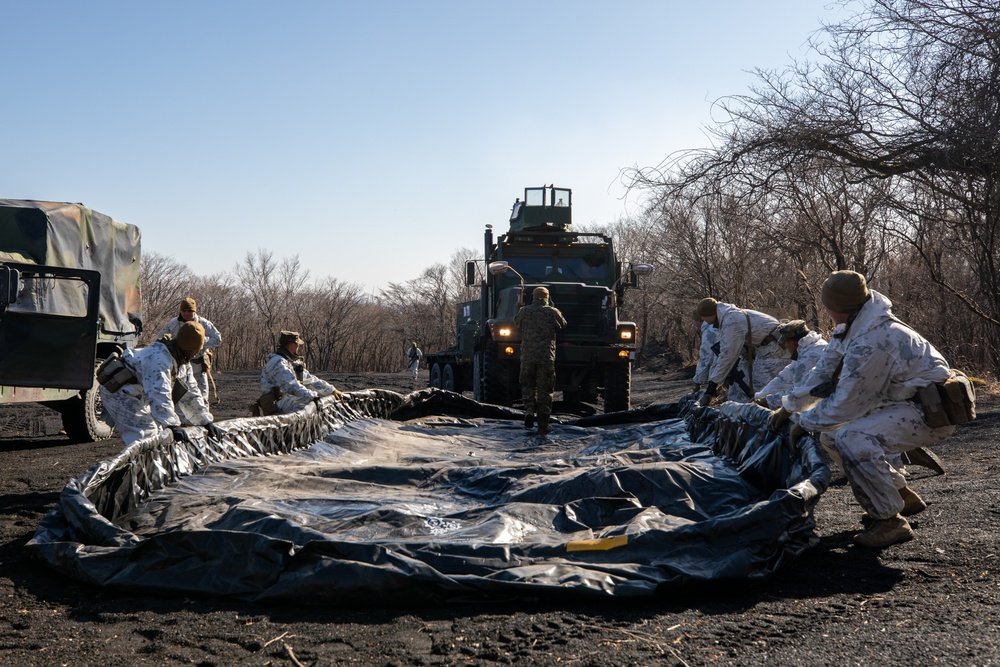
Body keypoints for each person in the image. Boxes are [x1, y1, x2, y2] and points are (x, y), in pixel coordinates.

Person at [784, 270, 956, 548]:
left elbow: (846, 406)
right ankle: (901, 495)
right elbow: (824, 371)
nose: (825, 309)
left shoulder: (872, 340)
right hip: (904, 404)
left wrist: (804, 421)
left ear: (836, 306)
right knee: (831, 437)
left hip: (928, 412)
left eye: (826, 304)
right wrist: (790, 406)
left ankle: (890, 521)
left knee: (851, 437)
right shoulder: (855, 324)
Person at [99, 321, 216, 446]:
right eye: (196, 349)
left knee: (159, 433)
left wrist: (204, 420)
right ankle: (141, 464)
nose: (198, 353)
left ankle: (151, 464)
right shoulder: (159, 359)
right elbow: (159, 392)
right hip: (119, 394)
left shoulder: (182, 361)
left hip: (136, 393)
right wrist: (172, 424)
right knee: (146, 436)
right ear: (188, 347)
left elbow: (191, 392)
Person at [697, 297, 790, 404]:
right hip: (767, 348)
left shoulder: (731, 322)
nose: (705, 323)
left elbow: (727, 356)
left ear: (709, 315)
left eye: (704, 319)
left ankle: (777, 413)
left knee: (761, 389)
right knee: (760, 388)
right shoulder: (729, 315)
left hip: (774, 349)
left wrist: (713, 384)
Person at [514, 286, 567, 435]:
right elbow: (563, 324)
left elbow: (516, 322)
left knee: (528, 386)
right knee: (545, 391)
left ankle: (529, 411)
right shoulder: (552, 312)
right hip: (546, 357)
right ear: (547, 298)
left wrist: (518, 306)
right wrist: (553, 310)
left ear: (533, 297)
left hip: (527, 357)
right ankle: (542, 426)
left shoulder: (524, 311)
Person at [260, 330, 343, 414]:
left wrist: (331, 390)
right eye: (297, 344)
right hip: (278, 405)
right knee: (308, 408)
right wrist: (313, 398)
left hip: (286, 400)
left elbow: (310, 380)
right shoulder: (277, 363)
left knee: (316, 404)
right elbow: (291, 385)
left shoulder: (291, 362)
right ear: (291, 344)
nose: (298, 346)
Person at [156, 297, 221, 403]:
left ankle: (203, 417)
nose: (186, 313)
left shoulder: (203, 323)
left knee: (202, 397)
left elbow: (217, 339)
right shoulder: (173, 324)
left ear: (194, 311)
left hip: (198, 365)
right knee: (179, 398)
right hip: (179, 366)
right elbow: (159, 340)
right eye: (184, 311)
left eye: (190, 311)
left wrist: (199, 341)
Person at [754, 320, 828, 412]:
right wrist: (760, 396)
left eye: (786, 343)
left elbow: (798, 393)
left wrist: (767, 401)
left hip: (826, 405)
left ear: (792, 343)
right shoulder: (806, 347)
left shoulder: (810, 356)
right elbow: (784, 378)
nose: (785, 345)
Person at [691, 308, 719, 393]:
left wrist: (697, 382)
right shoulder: (716, 327)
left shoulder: (709, 332)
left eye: (695, 321)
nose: (695, 324)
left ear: (699, 321)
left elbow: (706, 358)